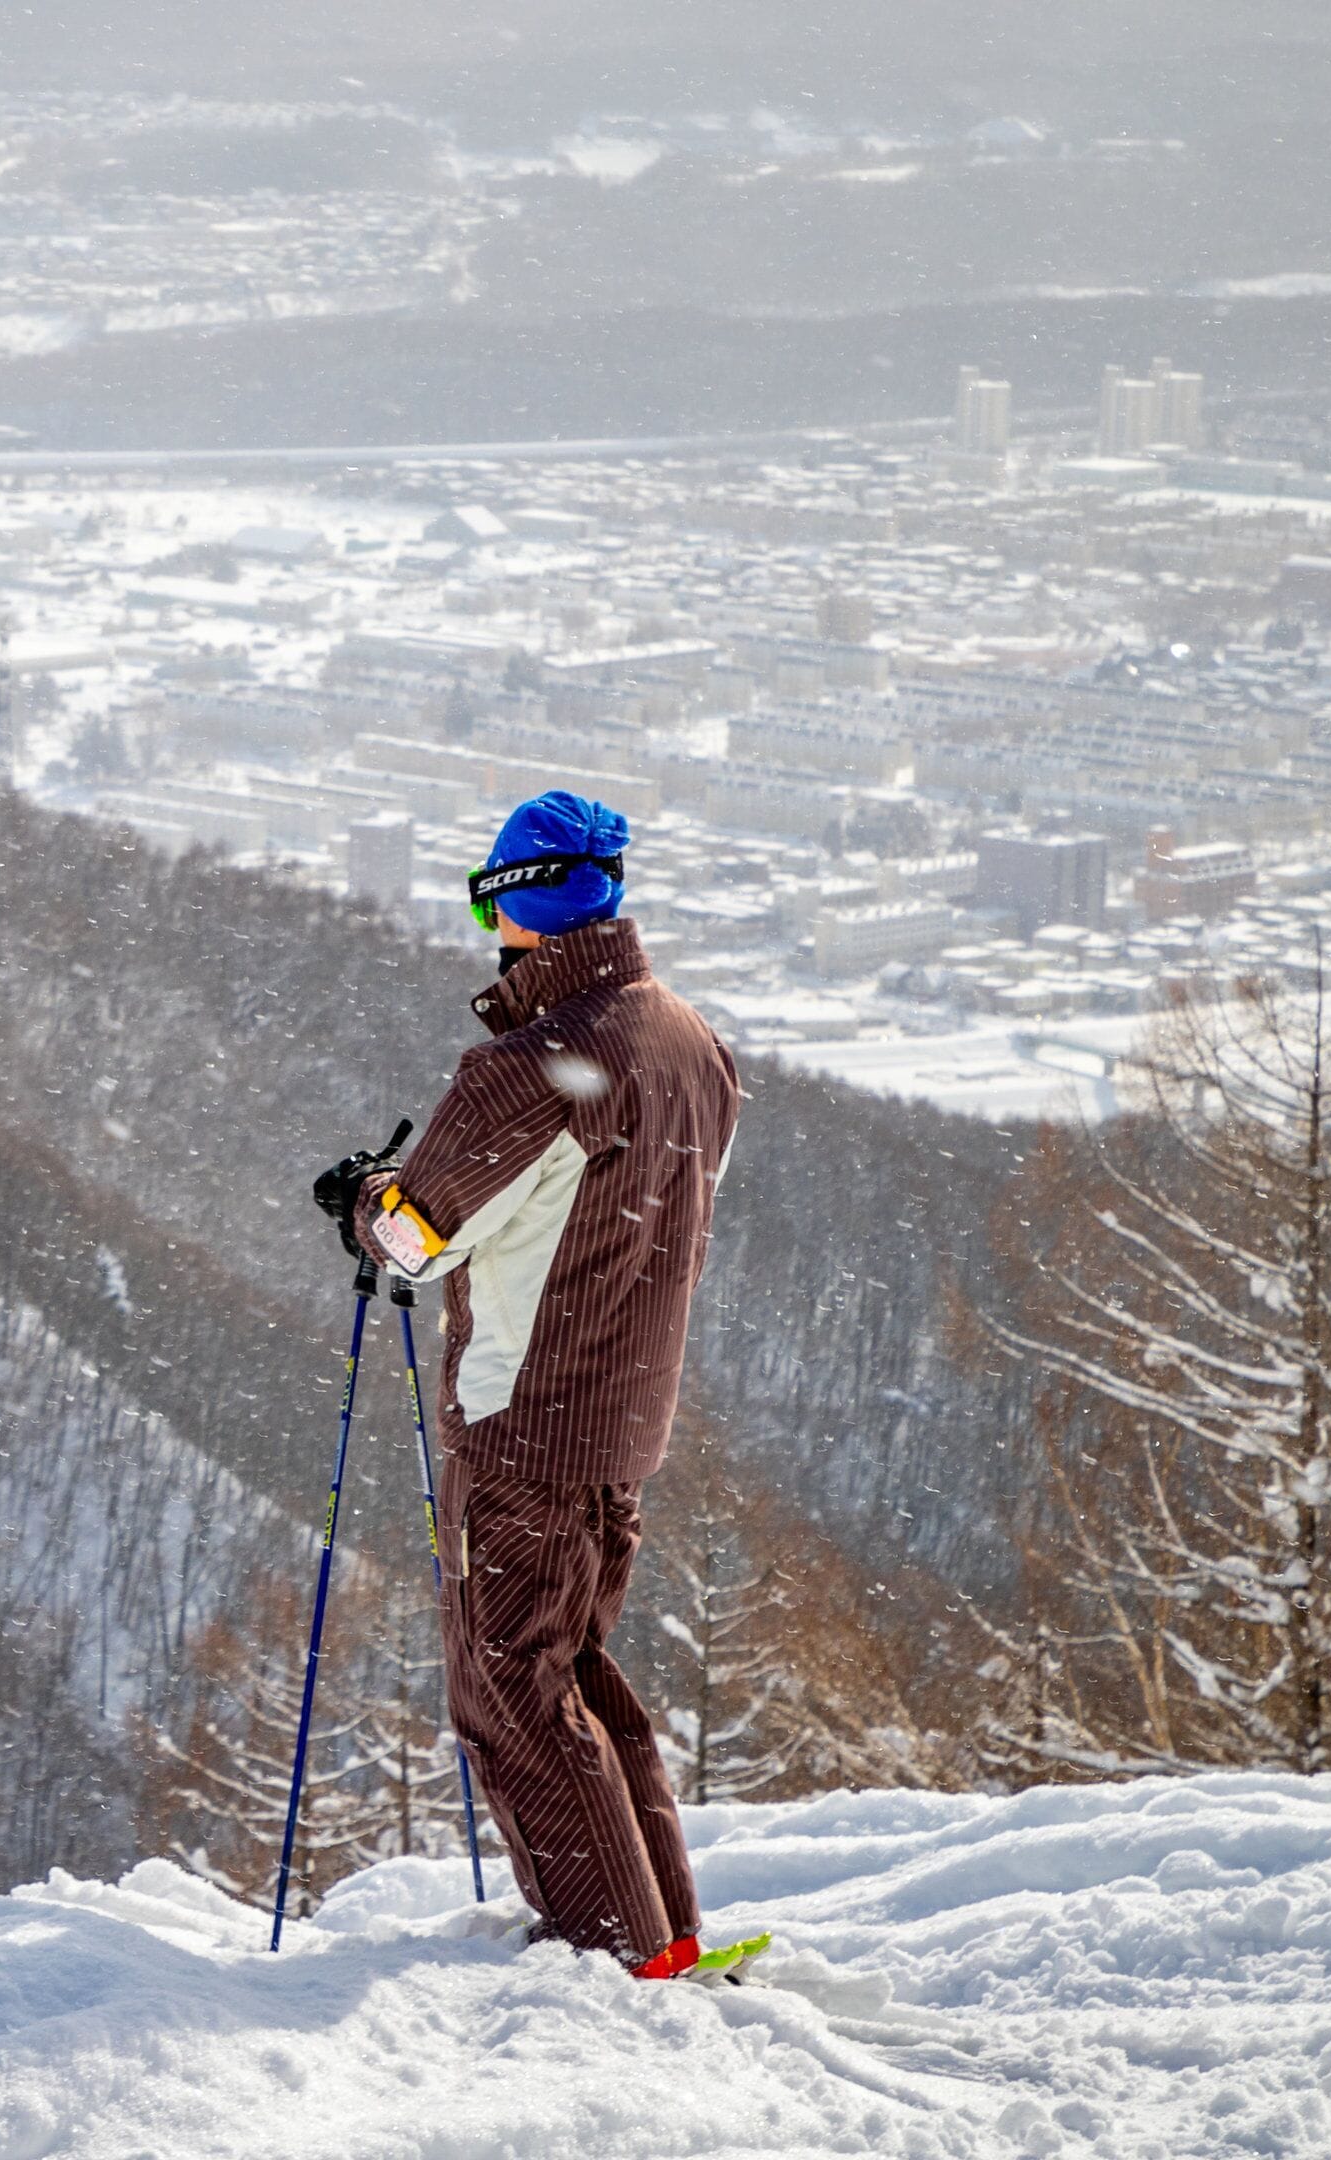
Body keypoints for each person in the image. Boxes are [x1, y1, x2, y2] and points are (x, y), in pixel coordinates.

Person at [310, 789, 743, 1979]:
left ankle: (621, 1963)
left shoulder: (532, 1067)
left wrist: (361, 1198)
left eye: (486, 897)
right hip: (620, 1425)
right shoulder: (688, 1042)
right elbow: (591, 1203)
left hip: (524, 1430)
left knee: (511, 1698)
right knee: (578, 1682)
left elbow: (413, 1237)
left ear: (522, 905)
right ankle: (666, 1933)